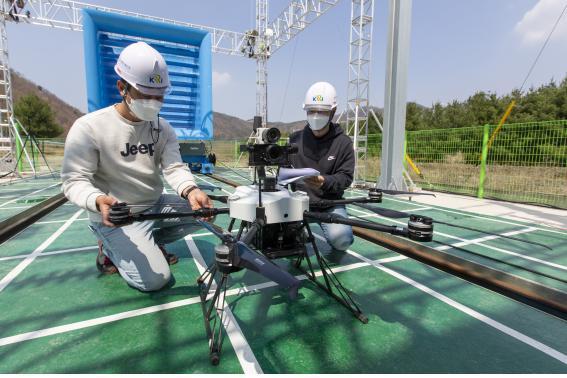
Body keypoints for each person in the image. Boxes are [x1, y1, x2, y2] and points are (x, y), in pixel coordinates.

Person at [61, 41, 213, 292]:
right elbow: (73, 180)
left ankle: (148, 243)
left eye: (159, 96)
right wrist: (98, 201)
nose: (154, 102)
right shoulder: (89, 127)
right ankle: (108, 247)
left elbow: (174, 167)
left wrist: (191, 190)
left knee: (204, 213)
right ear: (122, 88)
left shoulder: (163, 127)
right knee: (156, 280)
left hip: (154, 205)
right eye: (145, 95)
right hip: (117, 216)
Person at [289, 81, 355, 252]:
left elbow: (346, 177)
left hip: (330, 204)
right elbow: (283, 171)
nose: (316, 116)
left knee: (342, 241)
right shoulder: (295, 139)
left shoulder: (343, 143)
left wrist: (325, 181)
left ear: (332, 112)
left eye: (322, 111)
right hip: (298, 203)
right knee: (284, 240)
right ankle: (299, 230)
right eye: (311, 111)